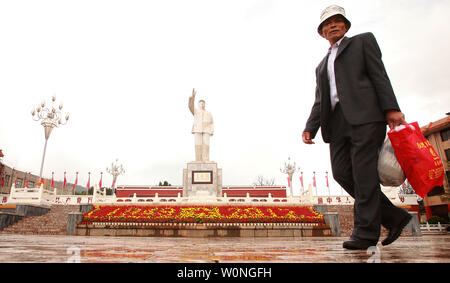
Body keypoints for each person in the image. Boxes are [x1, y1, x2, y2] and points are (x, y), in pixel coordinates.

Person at [302, 5, 412, 250]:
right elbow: (321, 100)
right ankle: (394, 217)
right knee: (342, 172)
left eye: (338, 21)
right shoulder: (321, 65)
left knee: (364, 175)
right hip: (337, 122)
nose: (333, 26)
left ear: (346, 25)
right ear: (321, 32)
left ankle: (365, 233)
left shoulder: (362, 42)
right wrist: (311, 126)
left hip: (366, 117)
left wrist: (390, 108)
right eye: (327, 24)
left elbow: (379, 75)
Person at [189, 88, 214, 161]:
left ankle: (206, 160)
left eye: (203, 103)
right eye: (200, 103)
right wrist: (192, 98)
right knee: (198, 145)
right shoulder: (196, 111)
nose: (202, 104)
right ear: (198, 104)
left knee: (206, 146)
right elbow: (190, 106)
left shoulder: (208, 113)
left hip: (206, 130)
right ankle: (198, 160)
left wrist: (212, 130)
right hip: (197, 129)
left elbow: (212, 122)